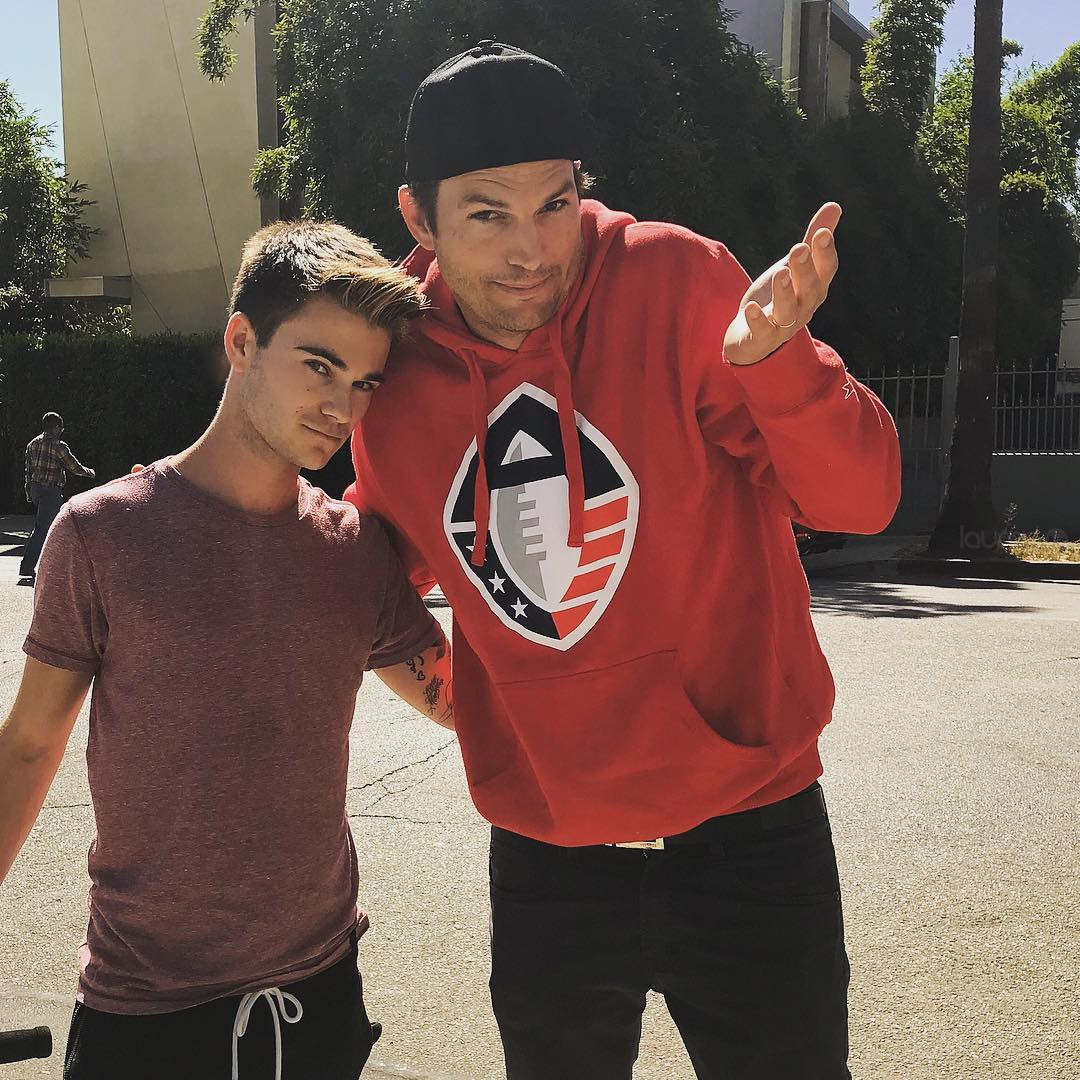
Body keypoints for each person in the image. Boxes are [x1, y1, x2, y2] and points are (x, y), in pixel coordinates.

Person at [346, 42, 902, 1080]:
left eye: (554, 204)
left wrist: (783, 368)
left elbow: (860, 502)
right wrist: (472, 707)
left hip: (753, 836)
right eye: (487, 215)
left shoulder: (676, 280)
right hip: (548, 866)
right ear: (418, 217)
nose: (531, 250)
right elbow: (365, 571)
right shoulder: (395, 364)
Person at [0, 221, 454, 1080]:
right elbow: (28, 745)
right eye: (319, 367)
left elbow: (459, 702)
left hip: (320, 1000)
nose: (343, 408)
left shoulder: (355, 549)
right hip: (146, 1014)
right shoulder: (103, 534)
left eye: (364, 382)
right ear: (242, 341)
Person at [19, 412, 96, 583]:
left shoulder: (32, 444)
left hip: (36, 490)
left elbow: (28, 471)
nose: (62, 430)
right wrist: (91, 473)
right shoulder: (58, 445)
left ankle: (49, 566)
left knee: (47, 527)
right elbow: (74, 467)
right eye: (61, 428)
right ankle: (29, 566)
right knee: (45, 529)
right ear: (55, 427)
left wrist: (29, 492)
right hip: (50, 491)